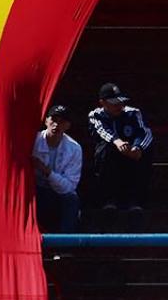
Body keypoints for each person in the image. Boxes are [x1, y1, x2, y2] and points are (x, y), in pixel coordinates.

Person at [87, 82, 154, 219]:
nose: (119, 106)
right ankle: (108, 199)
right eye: (114, 103)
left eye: (120, 102)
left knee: (145, 155)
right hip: (110, 157)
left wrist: (137, 147)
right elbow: (101, 131)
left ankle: (135, 200)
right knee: (104, 150)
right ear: (103, 103)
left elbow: (145, 132)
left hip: (131, 155)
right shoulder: (96, 115)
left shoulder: (133, 113)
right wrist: (116, 142)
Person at [33, 105, 82, 232]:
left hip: (57, 194)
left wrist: (47, 171)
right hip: (33, 191)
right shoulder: (33, 141)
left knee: (71, 199)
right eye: (54, 120)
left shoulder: (74, 148)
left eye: (62, 122)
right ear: (46, 121)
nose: (56, 125)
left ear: (68, 126)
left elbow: (69, 187)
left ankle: (66, 246)